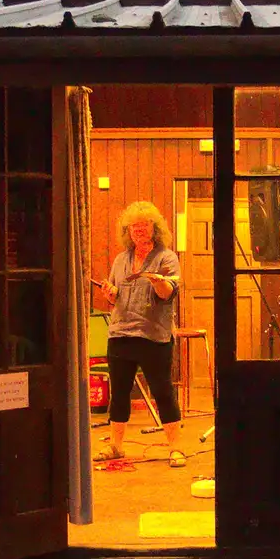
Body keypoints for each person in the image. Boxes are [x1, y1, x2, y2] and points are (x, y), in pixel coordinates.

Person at [97, 200, 186, 467]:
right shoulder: (121, 259)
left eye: (143, 226)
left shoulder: (166, 257)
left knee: (162, 391)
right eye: (133, 227)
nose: (138, 231)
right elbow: (114, 297)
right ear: (128, 231)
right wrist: (109, 293)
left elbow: (169, 293)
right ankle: (116, 446)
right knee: (120, 393)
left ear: (154, 229)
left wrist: (159, 283)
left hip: (153, 337)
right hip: (121, 334)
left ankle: (176, 447)